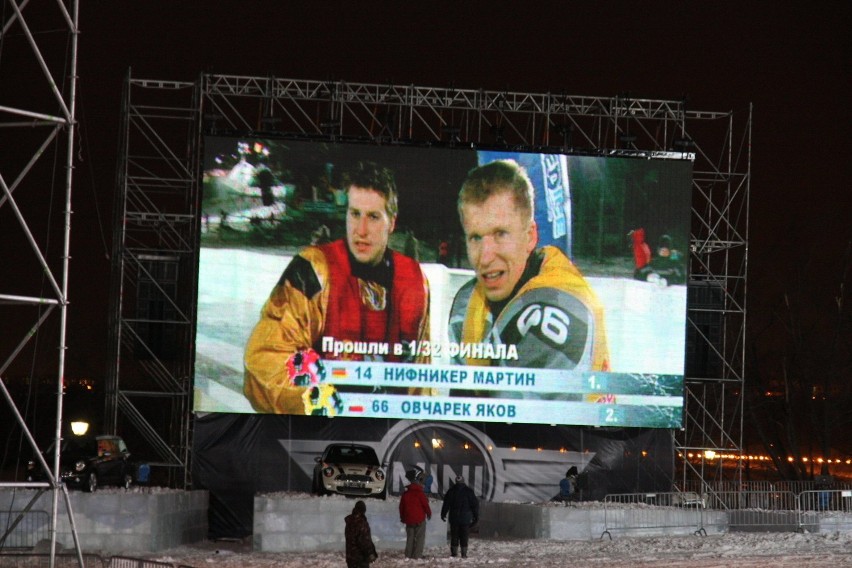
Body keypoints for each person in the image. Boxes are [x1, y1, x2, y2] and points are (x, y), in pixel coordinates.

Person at [244, 161, 432, 414]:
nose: (361, 230)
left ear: (392, 223)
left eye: (373, 217)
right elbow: (267, 357)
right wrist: (322, 406)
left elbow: (418, 380)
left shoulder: (414, 281)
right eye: (354, 214)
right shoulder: (312, 271)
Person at [448, 159, 610, 374]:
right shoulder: (467, 302)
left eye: (500, 234)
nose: (485, 258)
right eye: (475, 238)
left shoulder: (561, 309)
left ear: (530, 236)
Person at [441, 474, 479, 558]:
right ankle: (464, 554)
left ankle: (454, 553)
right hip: (465, 519)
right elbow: (475, 505)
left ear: (456, 482)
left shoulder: (451, 491)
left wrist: (443, 514)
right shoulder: (469, 491)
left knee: (454, 536)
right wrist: (476, 516)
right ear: (463, 482)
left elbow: (446, 504)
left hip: (454, 518)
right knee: (464, 536)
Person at [399, 472, 432, 559]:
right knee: (420, 538)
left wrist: (402, 518)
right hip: (419, 519)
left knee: (410, 537)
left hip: (409, 519)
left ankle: (408, 555)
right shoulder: (420, 493)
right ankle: (417, 555)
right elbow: (425, 505)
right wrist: (429, 513)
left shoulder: (405, 494)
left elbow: (401, 507)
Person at [344, 500, 378, 568]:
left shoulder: (349, 522)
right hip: (360, 559)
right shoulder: (361, 523)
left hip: (350, 557)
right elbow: (364, 541)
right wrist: (370, 554)